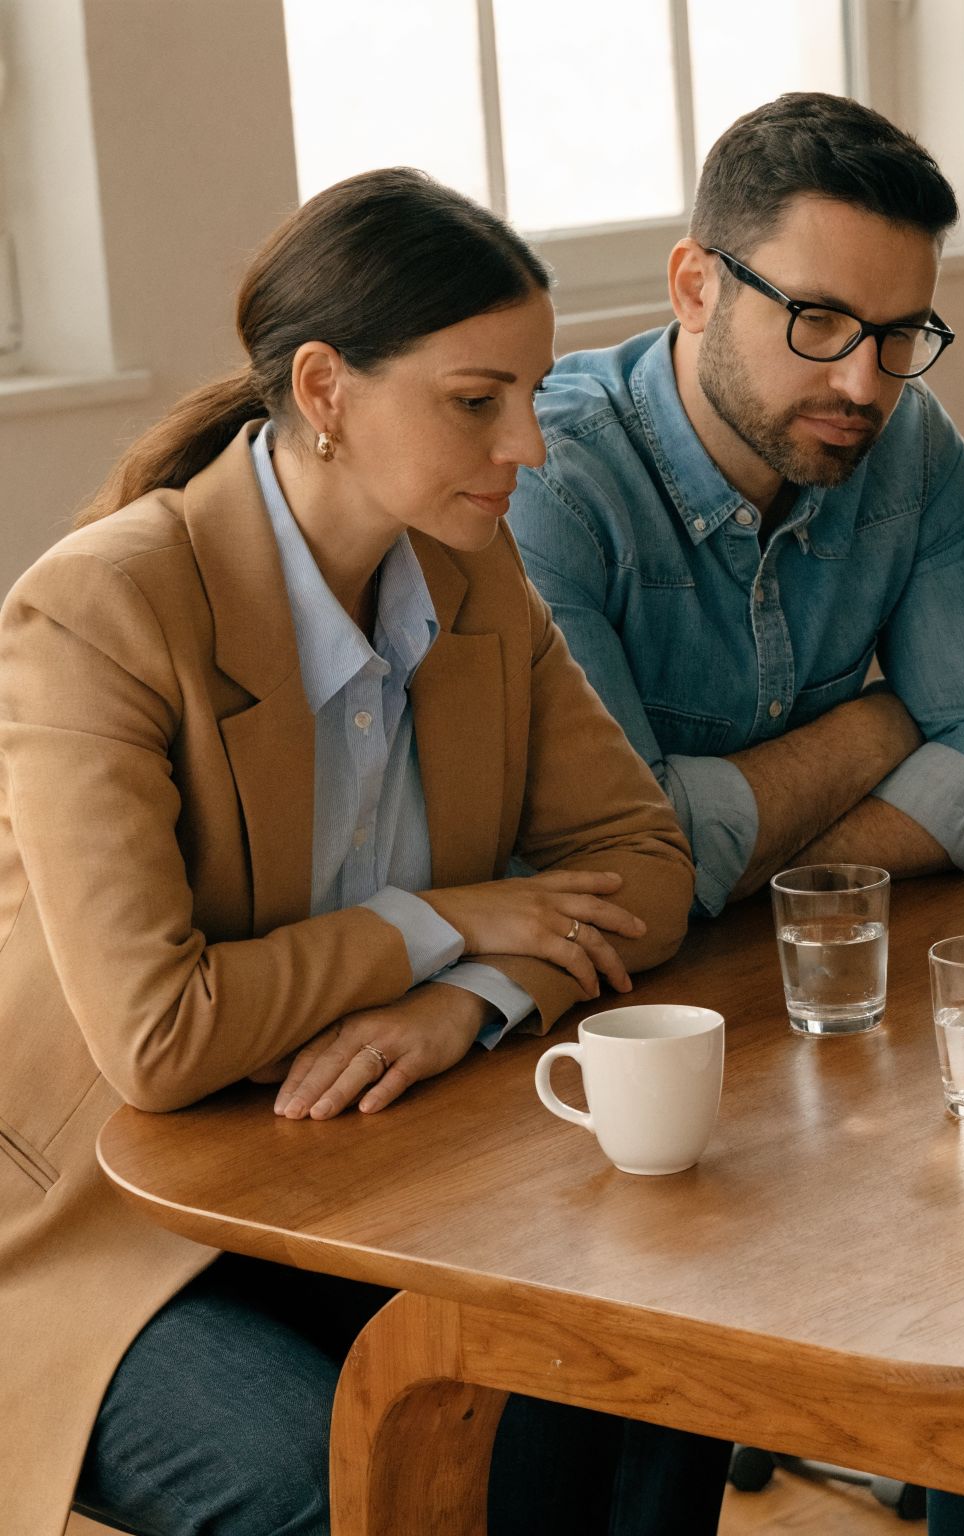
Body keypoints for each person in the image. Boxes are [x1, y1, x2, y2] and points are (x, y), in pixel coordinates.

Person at [0, 169, 722, 1536]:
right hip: (94, 1227)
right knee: (327, 1489)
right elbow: (161, 1039)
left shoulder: (469, 572)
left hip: (356, 1168)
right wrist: (442, 917)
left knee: (661, 1368)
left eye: (533, 394)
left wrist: (469, 998)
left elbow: (642, 861)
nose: (531, 445)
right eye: (475, 401)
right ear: (326, 389)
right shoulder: (101, 609)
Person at [509, 93, 964, 917]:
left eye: (899, 333)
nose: (862, 384)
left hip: (812, 974)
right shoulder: (549, 482)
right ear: (695, 289)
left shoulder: (906, 438)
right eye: (819, 318)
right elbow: (618, 864)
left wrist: (742, 872)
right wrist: (881, 729)